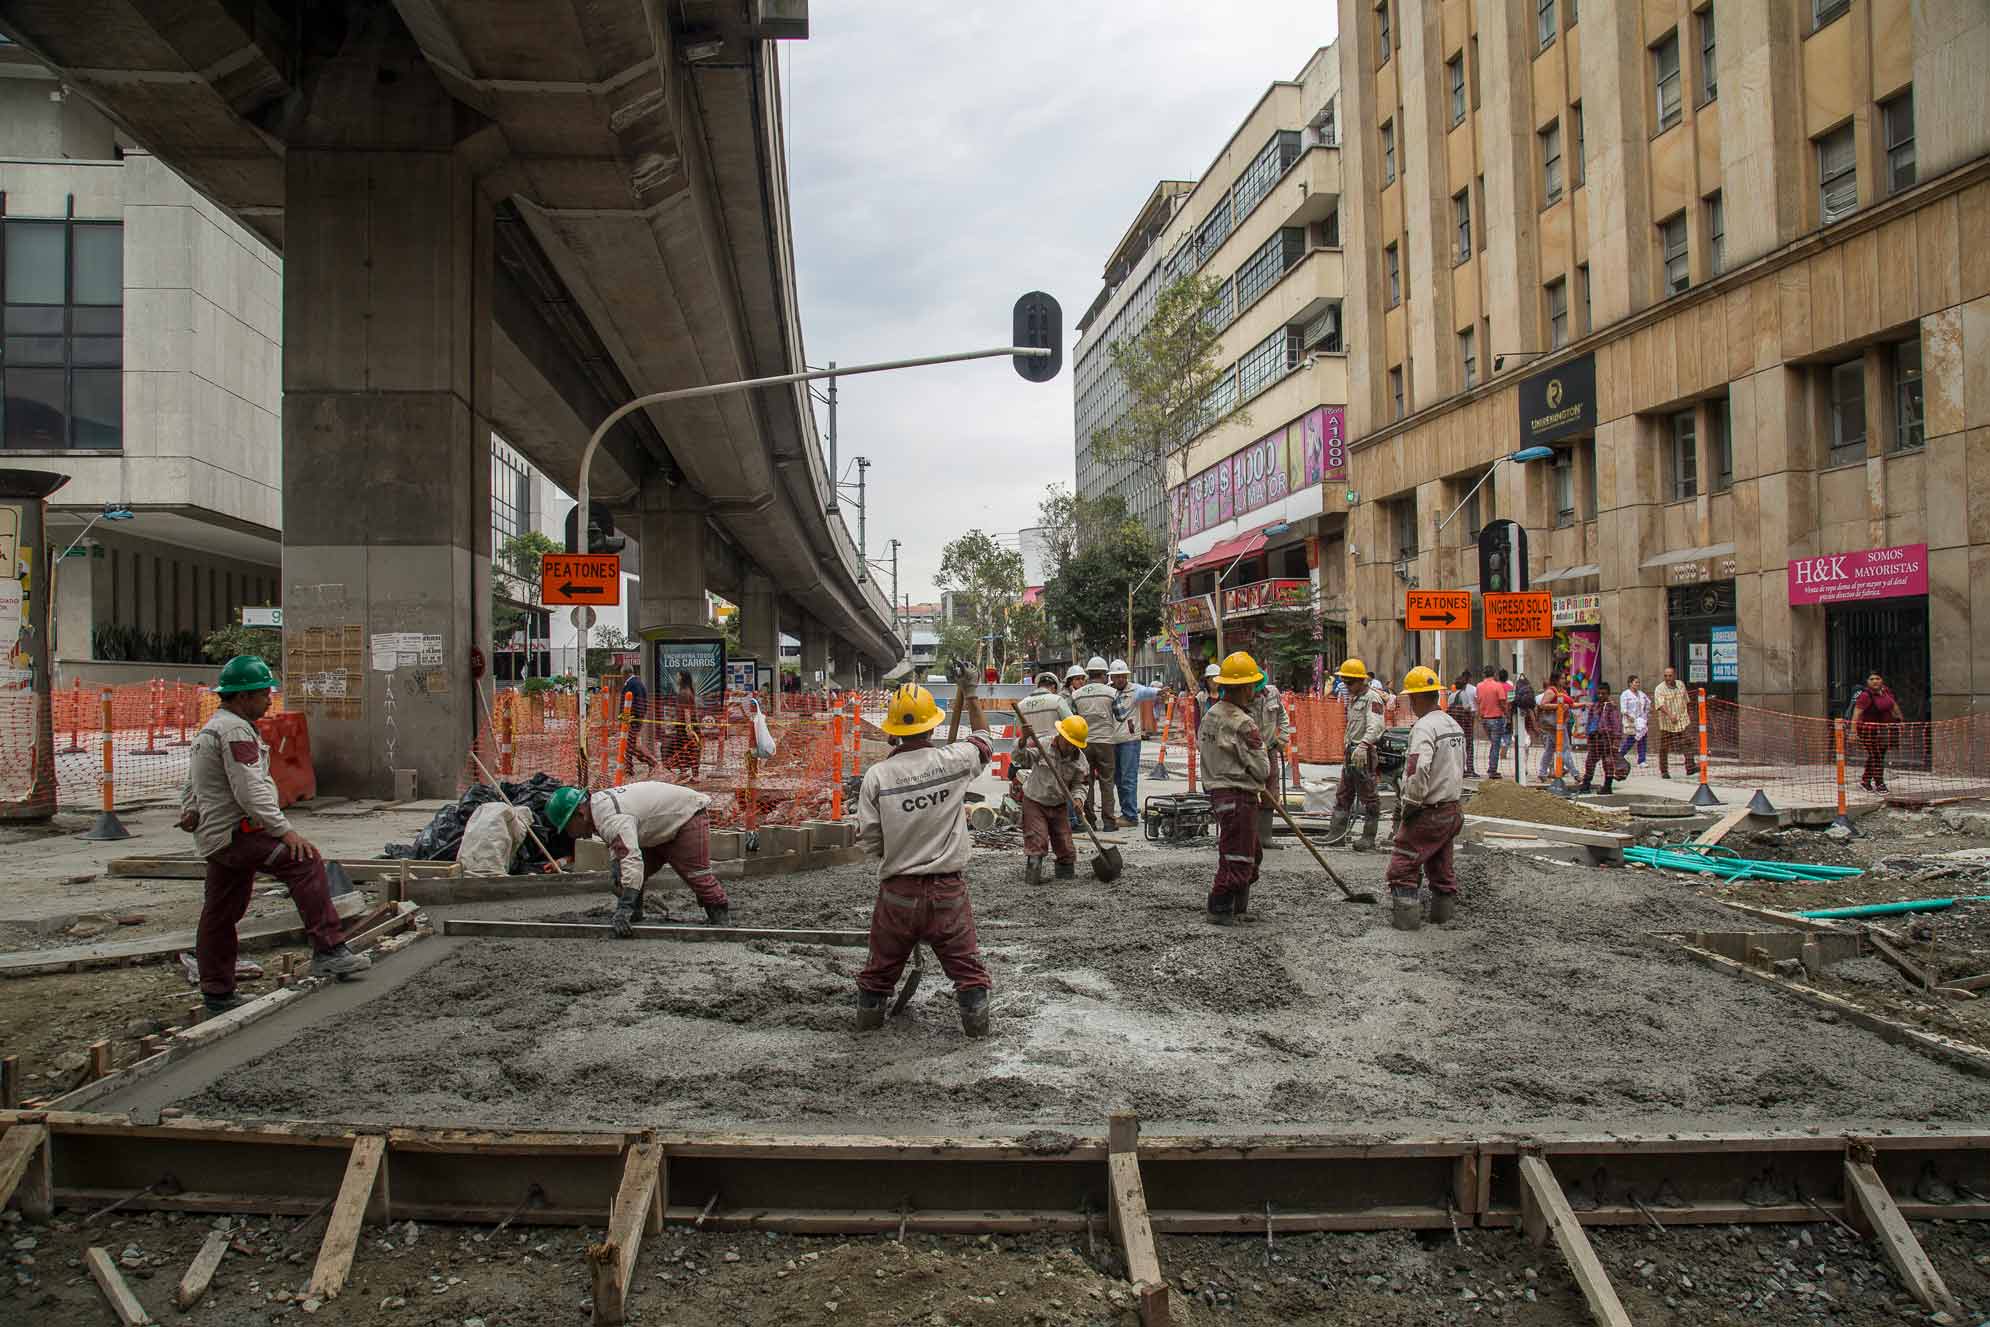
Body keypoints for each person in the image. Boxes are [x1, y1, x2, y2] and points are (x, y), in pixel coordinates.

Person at [178, 656, 370, 1013]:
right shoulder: (235, 731)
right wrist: (285, 832)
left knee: (221, 912)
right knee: (305, 862)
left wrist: (190, 809)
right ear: (243, 696)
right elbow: (250, 791)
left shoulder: (213, 728)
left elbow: (195, 780)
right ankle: (329, 950)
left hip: (217, 836)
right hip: (237, 833)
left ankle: (217, 993)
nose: (270, 701)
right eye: (264, 693)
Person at [853, 680, 995, 1036]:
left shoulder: (878, 776)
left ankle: (867, 1029)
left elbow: (869, 838)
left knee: (878, 972)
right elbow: (983, 738)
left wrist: (898, 850)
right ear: (932, 726)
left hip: (898, 894)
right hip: (948, 893)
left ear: (893, 733)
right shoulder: (954, 761)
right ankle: (977, 1031)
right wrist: (972, 692)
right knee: (968, 971)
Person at [547, 779, 729, 935]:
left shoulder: (610, 818)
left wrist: (623, 907)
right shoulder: (598, 809)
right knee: (622, 878)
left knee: (697, 875)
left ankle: (721, 920)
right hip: (655, 828)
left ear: (580, 814)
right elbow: (620, 847)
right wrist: (618, 870)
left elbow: (631, 858)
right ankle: (635, 914)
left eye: (569, 828)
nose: (572, 835)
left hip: (686, 816)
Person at [1387, 666, 1467, 931]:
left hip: (1429, 810)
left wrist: (1410, 802)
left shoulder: (1423, 728)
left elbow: (1418, 769)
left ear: (1417, 697)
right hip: (1452, 808)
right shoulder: (1452, 724)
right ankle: (1443, 920)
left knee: (1402, 867)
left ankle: (1407, 924)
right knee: (1440, 865)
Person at [1197, 651, 1273, 925]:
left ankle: (1237, 906)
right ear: (1244, 688)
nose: (1254, 691)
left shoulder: (1211, 715)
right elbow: (1262, 768)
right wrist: (1255, 778)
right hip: (1237, 794)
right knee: (1238, 855)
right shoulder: (1242, 722)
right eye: (1252, 685)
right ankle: (1220, 908)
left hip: (1220, 792)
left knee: (1249, 852)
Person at [1019, 714, 1090, 883]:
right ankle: (1033, 878)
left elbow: (1081, 784)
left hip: (1059, 805)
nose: (1070, 747)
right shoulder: (1043, 744)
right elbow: (1021, 758)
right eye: (1068, 742)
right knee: (1037, 841)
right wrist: (1023, 740)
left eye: (1074, 745)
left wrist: (1079, 799)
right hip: (1035, 801)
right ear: (1060, 735)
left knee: (1065, 843)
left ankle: (1065, 877)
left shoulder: (1080, 760)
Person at [1325, 657, 1387, 850]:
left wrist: (1363, 745)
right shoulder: (1355, 698)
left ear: (1361, 681)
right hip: (1352, 750)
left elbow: (1376, 726)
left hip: (1364, 752)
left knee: (1369, 794)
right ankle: (1336, 834)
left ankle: (1368, 837)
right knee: (1344, 793)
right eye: (1344, 682)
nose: (1346, 685)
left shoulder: (1372, 699)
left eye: (1350, 682)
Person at [1109, 660, 1161, 829]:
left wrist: (1161, 692)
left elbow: (1151, 692)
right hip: (1113, 741)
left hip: (1130, 742)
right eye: (1117, 676)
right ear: (1112, 677)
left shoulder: (1135, 690)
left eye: (1123, 676)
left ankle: (1130, 815)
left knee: (1128, 779)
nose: (1120, 679)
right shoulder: (1109, 692)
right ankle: (1126, 811)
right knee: (1118, 779)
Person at [1071, 657, 1122, 827]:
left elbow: (1072, 718)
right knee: (1107, 781)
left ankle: (1090, 821)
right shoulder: (1111, 693)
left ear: (1088, 674)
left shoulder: (1076, 695)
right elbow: (1120, 715)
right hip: (1106, 742)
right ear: (1104, 674)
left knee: (1087, 782)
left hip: (1084, 743)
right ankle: (1108, 821)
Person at [1853, 672, 1904, 792]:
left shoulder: (1886, 691)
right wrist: (1852, 732)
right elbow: (1856, 714)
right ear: (1867, 682)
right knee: (1876, 756)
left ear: (1882, 680)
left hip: (1883, 730)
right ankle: (1879, 783)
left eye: (1877, 678)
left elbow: (1893, 705)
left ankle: (1865, 781)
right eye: (1871, 679)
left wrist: (1900, 720)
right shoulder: (1865, 696)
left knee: (1878, 755)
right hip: (1867, 731)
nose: (1875, 681)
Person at [1576, 680, 1624, 794]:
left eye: (1603, 693)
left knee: (1608, 763)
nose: (1601, 696)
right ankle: (1586, 785)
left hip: (1607, 739)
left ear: (1608, 694)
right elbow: (1590, 721)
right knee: (1590, 762)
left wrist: (1616, 741)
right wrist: (1588, 734)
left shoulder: (1612, 707)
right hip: (1595, 739)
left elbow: (1617, 724)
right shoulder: (1595, 706)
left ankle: (1607, 786)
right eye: (1599, 693)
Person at [1652, 666, 1692, 778]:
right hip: (1667, 722)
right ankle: (1664, 771)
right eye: (1665, 676)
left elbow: (1686, 701)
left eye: (1670, 675)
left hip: (1682, 719)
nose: (1668, 678)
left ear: (1674, 675)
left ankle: (1690, 767)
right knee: (1664, 747)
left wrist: (1687, 715)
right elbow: (1660, 705)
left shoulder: (1680, 685)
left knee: (1688, 742)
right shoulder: (1659, 689)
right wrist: (1670, 715)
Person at [1475, 665, 1512, 778]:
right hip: (1496, 718)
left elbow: (1478, 701)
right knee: (1495, 745)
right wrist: (1507, 714)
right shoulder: (1497, 686)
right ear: (1494, 674)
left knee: (1493, 744)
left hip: (1485, 719)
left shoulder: (1479, 686)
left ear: (1483, 674)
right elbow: (1502, 702)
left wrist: (1479, 716)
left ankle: (1491, 767)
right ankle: (1492, 769)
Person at [617, 671, 652, 778]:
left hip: (632, 719)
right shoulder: (639, 683)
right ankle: (629, 769)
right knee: (629, 745)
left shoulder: (631, 684)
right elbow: (644, 702)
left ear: (624, 673)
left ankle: (651, 762)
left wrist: (626, 716)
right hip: (636, 718)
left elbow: (629, 702)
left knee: (630, 745)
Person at [1447, 670, 1478, 777]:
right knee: (1468, 746)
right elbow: (1467, 707)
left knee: (1457, 747)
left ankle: (1458, 768)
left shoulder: (1451, 695)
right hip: (1465, 724)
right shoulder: (1463, 694)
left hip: (1455, 724)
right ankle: (1469, 769)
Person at [1618, 675, 1651, 768]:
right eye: (1635, 682)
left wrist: (1646, 715)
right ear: (1630, 683)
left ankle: (1642, 760)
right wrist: (1629, 717)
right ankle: (1620, 754)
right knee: (1631, 739)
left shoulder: (1641, 694)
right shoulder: (1625, 694)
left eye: (1638, 682)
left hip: (1641, 721)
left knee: (1642, 739)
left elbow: (1648, 703)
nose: (1637, 684)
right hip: (1631, 721)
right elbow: (1623, 709)